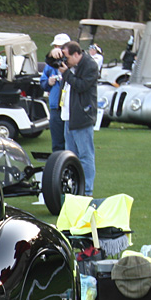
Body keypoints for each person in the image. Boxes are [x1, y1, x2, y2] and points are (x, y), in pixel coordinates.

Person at [52, 40, 99, 194]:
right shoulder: (71, 66)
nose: (65, 61)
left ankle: (87, 190)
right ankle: (73, 188)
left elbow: (81, 86)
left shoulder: (90, 65)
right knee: (70, 157)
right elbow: (50, 62)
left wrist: (66, 73)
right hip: (68, 117)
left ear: (77, 54)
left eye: (67, 57)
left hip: (82, 116)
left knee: (85, 155)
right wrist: (54, 54)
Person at [40, 33, 71, 152]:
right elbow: (43, 84)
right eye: (56, 46)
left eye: (61, 47)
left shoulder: (72, 63)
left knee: (70, 142)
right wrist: (48, 82)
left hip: (69, 108)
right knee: (57, 143)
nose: (58, 50)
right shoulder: (50, 66)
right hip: (55, 107)